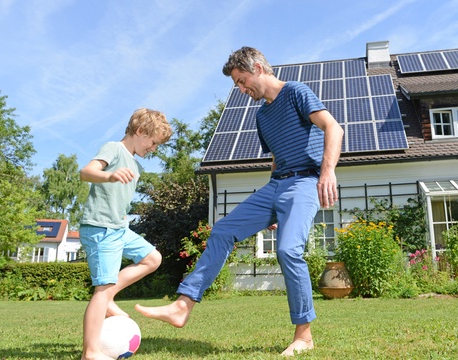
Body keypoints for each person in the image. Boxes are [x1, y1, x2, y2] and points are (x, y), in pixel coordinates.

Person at [135, 46, 343, 356]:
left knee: (288, 251)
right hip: (277, 186)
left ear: (258, 68)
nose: (241, 89)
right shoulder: (262, 116)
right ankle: (183, 305)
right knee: (222, 230)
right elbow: (276, 159)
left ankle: (304, 335)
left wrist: (327, 173)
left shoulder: (297, 92)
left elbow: (333, 128)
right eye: (237, 84)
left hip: (305, 181)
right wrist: (270, 206)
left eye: (242, 81)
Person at [79, 108, 173, 360]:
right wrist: (109, 176)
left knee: (152, 259)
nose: (153, 148)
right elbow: (86, 172)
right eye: (153, 142)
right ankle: (91, 352)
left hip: (119, 228)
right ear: (140, 131)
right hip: (100, 227)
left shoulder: (135, 164)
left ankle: (108, 296)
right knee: (103, 287)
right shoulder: (114, 148)